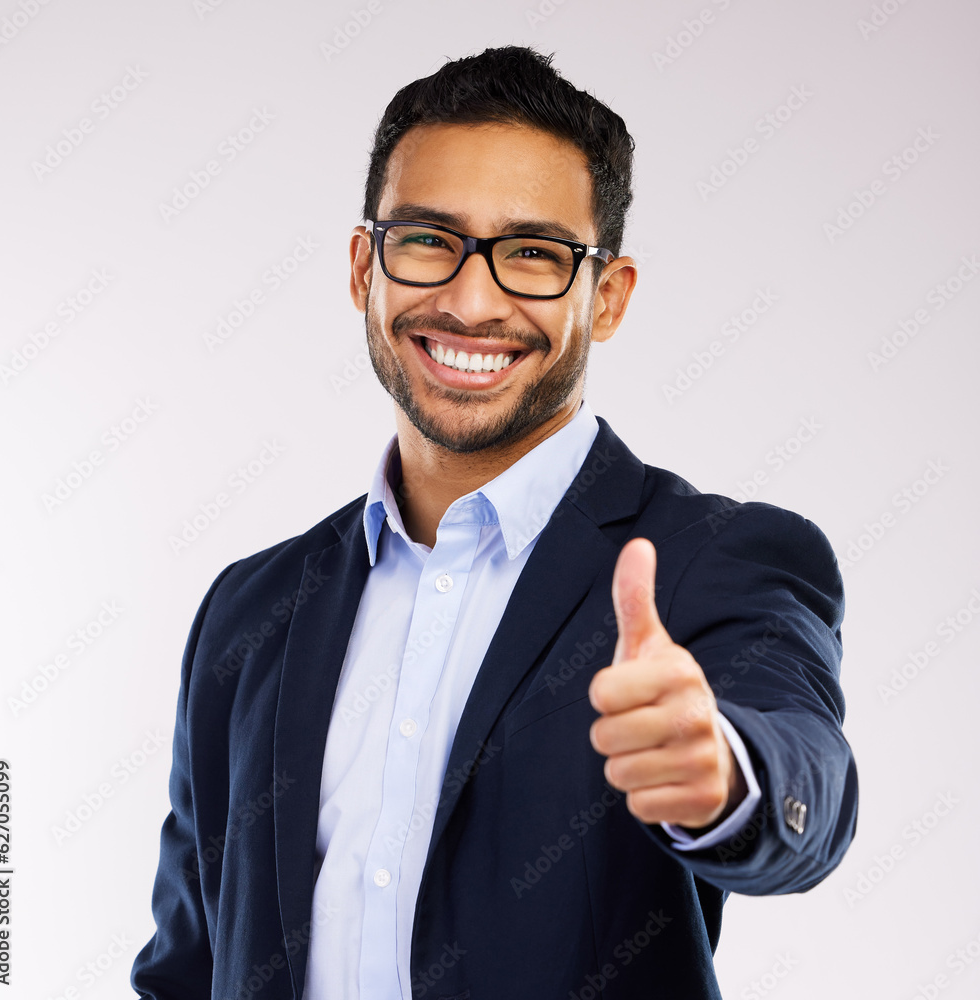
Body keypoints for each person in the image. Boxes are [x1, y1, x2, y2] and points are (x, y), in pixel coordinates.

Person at [131, 45, 857, 1000]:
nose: (472, 303)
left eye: (533, 255)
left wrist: (724, 774)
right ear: (365, 268)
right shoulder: (248, 608)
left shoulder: (714, 560)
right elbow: (188, 969)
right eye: (429, 239)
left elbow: (808, 776)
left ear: (608, 296)